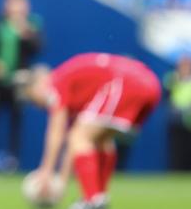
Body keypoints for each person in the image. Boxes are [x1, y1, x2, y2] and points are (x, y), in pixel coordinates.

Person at [24, 53, 161, 209]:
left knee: (80, 137)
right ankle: (99, 197)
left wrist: (46, 171)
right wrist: (61, 181)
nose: (36, 104)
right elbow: (73, 145)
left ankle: (93, 200)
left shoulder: (56, 82)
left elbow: (57, 132)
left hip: (125, 82)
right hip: (149, 83)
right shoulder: (74, 88)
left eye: (32, 97)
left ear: (41, 82)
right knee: (100, 139)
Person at [0, 0, 42, 171]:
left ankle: (12, 158)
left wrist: (26, 34)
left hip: (19, 82)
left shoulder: (32, 25)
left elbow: (36, 48)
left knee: (16, 119)